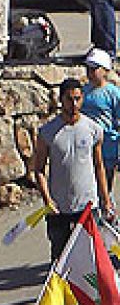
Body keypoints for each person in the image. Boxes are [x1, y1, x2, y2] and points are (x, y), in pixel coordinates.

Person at [31, 78, 111, 260]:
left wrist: (106, 199)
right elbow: (39, 170)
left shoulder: (94, 129)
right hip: (59, 208)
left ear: (82, 98)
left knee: (90, 258)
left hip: (88, 205)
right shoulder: (48, 132)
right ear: (61, 100)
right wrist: (47, 200)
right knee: (60, 260)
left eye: (77, 98)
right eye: (69, 99)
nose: (74, 104)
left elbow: (99, 167)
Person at [82, 48, 120, 183]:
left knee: (105, 184)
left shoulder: (113, 93)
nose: (90, 73)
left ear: (105, 70)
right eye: (88, 69)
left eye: (94, 69)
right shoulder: (83, 91)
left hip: (107, 148)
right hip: (86, 146)